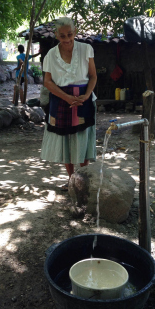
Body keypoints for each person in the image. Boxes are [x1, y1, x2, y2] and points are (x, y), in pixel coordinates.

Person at [40, 17, 97, 191]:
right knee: (65, 141)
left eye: (70, 34)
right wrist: (66, 97)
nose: (66, 39)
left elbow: (93, 76)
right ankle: (72, 179)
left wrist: (87, 94)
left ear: (75, 32)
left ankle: (83, 179)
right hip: (60, 99)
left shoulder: (86, 49)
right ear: (56, 35)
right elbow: (48, 82)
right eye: (62, 35)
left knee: (83, 139)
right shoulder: (51, 54)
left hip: (83, 99)